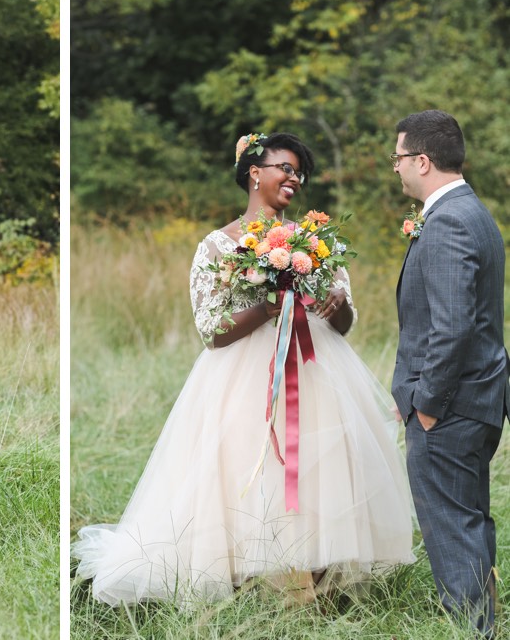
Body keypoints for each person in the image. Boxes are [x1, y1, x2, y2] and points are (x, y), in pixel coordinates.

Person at [73, 132, 415, 607]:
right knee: (244, 472)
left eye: (300, 172)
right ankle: (246, 577)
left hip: (314, 370)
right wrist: (270, 304)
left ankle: (310, 580)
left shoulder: (316, 242)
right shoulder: (217, 246)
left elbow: (346, 323)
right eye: (285, 167)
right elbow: (211, 330)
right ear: (255, 171)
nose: (294, 178)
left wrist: (336, 305)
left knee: (322, 468)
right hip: (241, 379)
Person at [391, 110, 508, 637]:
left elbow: (454, 325)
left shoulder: (451, 220)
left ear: (422, 160)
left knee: (452, 526)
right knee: (470, 518)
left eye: (398, 158)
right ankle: (487, 621)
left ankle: (474, 630)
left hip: (452, 408)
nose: (394, 169)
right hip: (477, 402)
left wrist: (428, 405)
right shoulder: (474, 212)